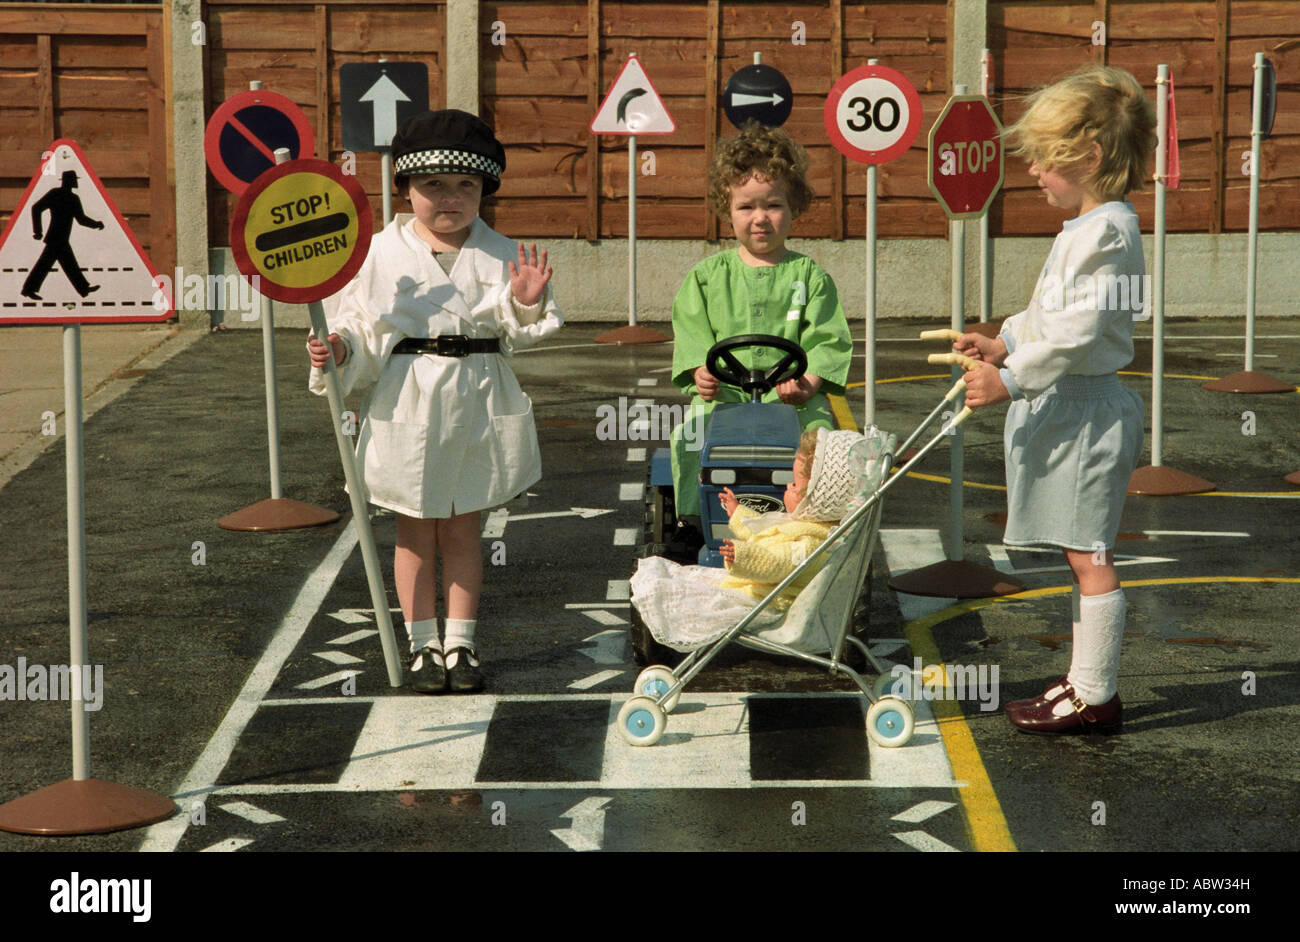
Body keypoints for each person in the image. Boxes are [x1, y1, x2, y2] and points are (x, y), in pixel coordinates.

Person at [307, 110, 562, 694]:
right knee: (415, 528)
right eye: (433, 186)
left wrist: (523, 304)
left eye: (466, 186)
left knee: (465, 526)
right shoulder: (376, 253)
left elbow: (520, 333)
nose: (450, 199)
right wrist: (339, 350)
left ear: (485, 190)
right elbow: (360, 328)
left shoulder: (505, 253)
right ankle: (424, 646)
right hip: (409, 399)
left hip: (477, 395)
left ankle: (462, 643)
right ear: (404, 188)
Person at [954, 65, 1155, 734]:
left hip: (1088, 415)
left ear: (1090, 157)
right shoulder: (1086, 228)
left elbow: (1075, 334)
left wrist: (1009, 380)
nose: (1034, 171)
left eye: (1044, 159)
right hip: (1070, 408)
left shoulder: (1108, 234)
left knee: (1088, 553)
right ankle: (1081, 681)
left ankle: (1096, 695)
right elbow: (1049, 316)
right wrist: (1003, 342)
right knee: (1078, 549)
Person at [668, 121, 853, 542]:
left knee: (822, 444)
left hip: (792, 401)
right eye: (746, 207)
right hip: (726, 400)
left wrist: (809, 382)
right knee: (688, 434)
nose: (760, 219)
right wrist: (701, 371)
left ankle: (815, 522)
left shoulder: (810, 277)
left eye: (772, 205)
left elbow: (829, 338)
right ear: (727, 210)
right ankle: (693, 522)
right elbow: (693, 332)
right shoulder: (706, 277)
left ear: (793, 208)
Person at [631, 429, 869, 653]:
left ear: (815, 501)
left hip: (764, 600)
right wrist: (737, 512)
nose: (788, 485)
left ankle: (665, 640)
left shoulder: (810, 542)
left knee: (674, 591)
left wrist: (743, 556)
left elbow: (778, 563)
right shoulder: (805, 525)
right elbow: (763, 531)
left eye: (794, 485)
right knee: (678, 578)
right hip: (753, 587)